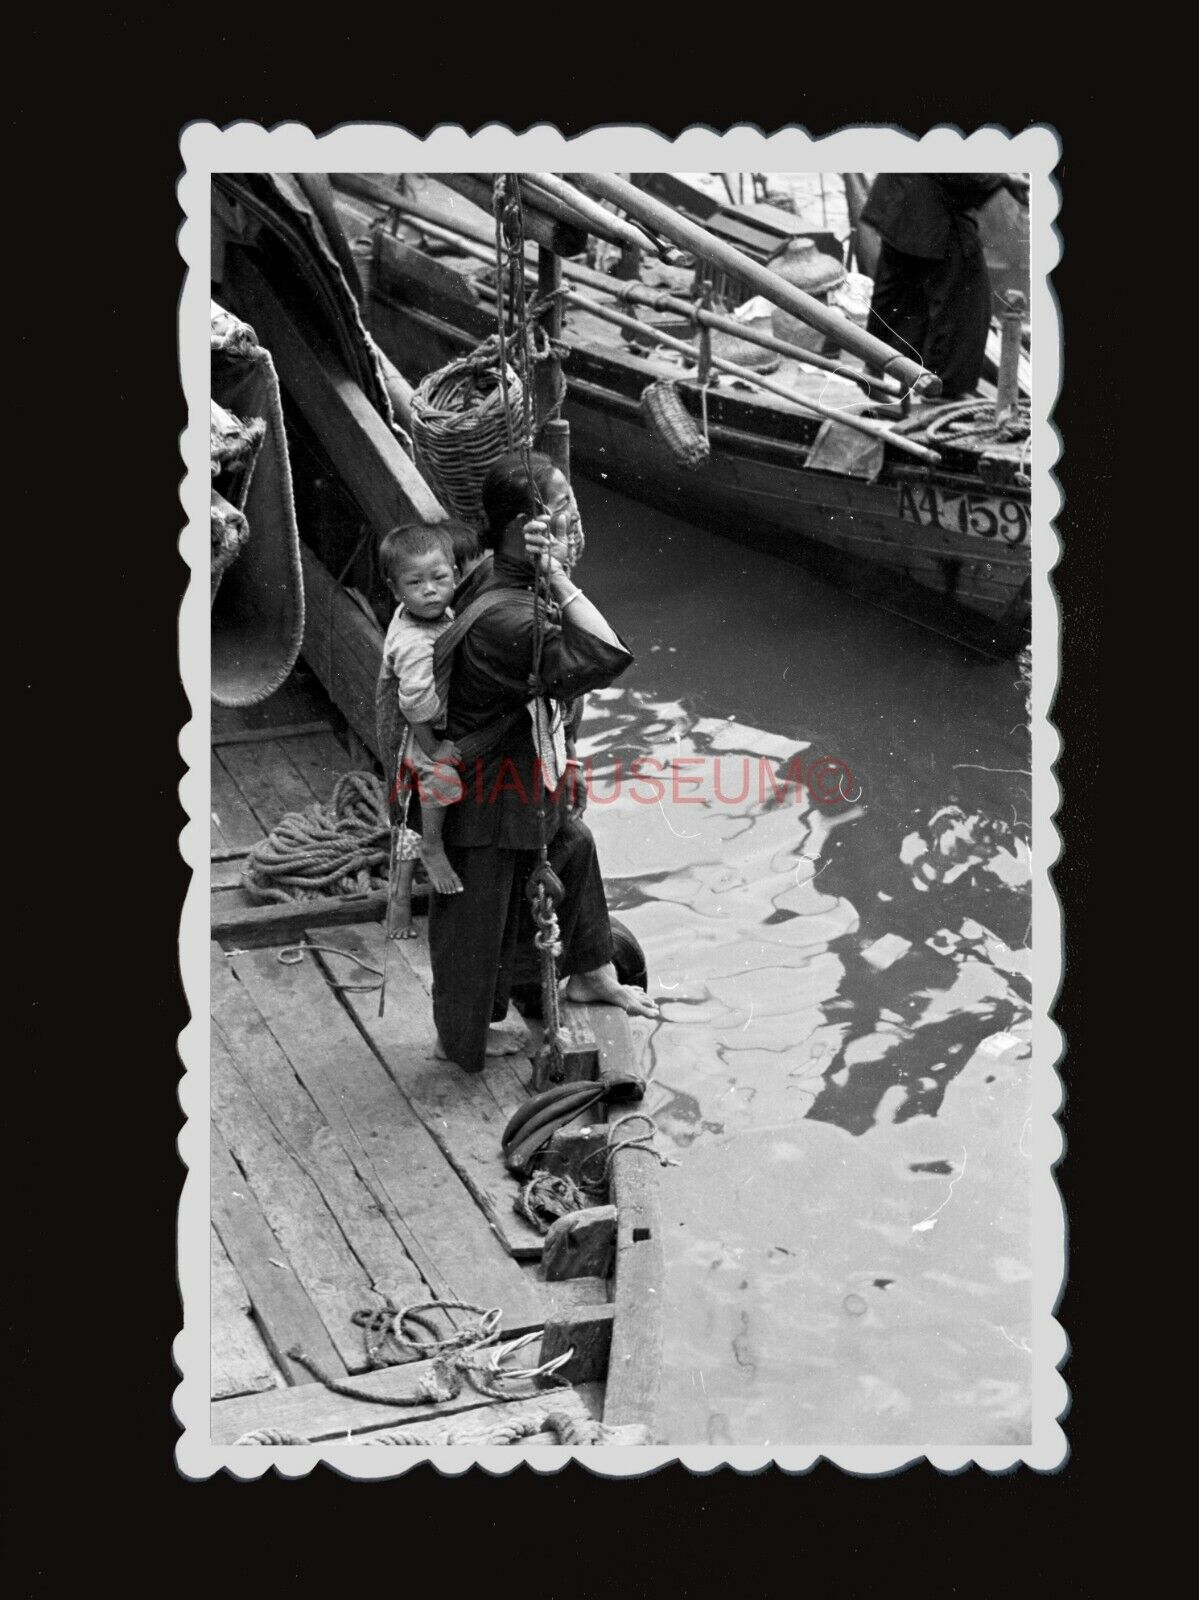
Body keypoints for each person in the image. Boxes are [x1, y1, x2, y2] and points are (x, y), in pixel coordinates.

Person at [427, 450, 659, 1074]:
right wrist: (557, 576)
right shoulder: (509, 613)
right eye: (562, 514)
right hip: (486, 792)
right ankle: (461, 1037)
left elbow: (560, 693)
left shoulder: (505, 579)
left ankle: (592, 974)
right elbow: (605, 654)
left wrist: (573, 757)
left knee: (573, 846)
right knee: (475, 919)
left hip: (530, 771)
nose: (574, 526)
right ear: (518, 531)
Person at [378, 519, 484, 931]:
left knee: (407, 812)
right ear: (395, 590)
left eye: (439, 578)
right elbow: (416, 702)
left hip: (417, 725)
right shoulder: (414, 642)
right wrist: (433, 747)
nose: (429, 590)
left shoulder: (432, 614)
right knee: (439, 781)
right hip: (416, 730)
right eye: (415, 583)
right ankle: (432, 851)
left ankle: (399, 897)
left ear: (455, 575)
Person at [862, 172, 1029, 400]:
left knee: (900, 291)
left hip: (899, 199)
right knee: (966, 296)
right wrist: (1001, 179)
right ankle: (945, 391)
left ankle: (875, 368)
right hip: (934, 208)